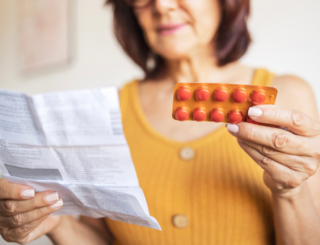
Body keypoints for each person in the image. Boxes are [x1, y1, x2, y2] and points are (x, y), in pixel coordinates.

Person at [1, 0, 320, 244]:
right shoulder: (108, 111)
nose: (163, 6)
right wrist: (59, 223)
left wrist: (291, 192)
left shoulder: (287, 95)